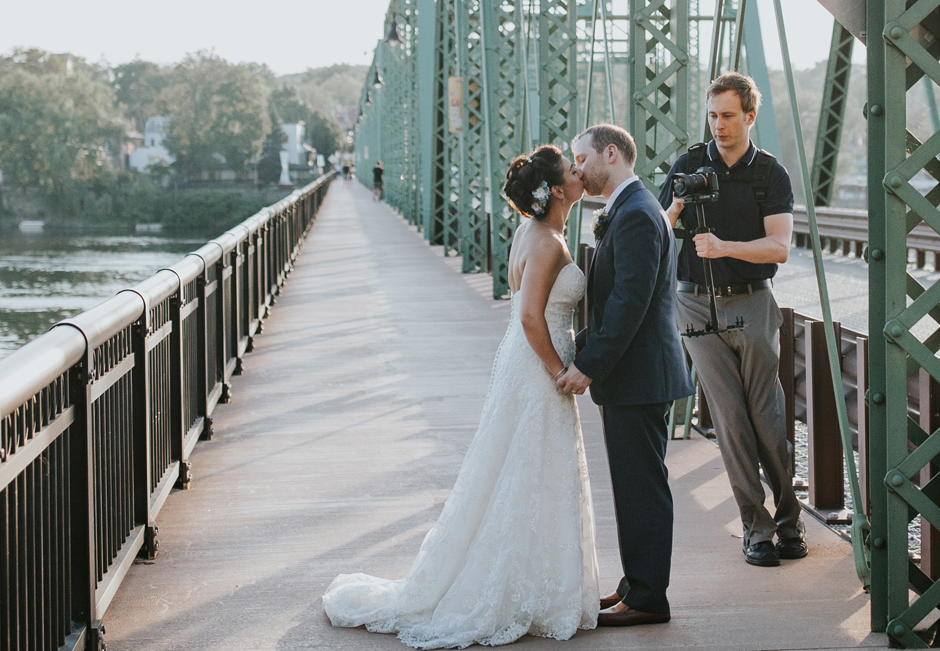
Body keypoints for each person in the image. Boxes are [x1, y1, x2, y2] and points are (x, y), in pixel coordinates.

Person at [323, 145, 600, 646]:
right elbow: (532, 317)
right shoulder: (550, 244)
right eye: (572, 170)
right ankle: (520, 589)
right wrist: (561, 370)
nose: (581, 173)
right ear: (558, 189)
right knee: (532, 468)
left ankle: (530, 583)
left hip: (523, 360)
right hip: (539, 364)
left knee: (522, 468)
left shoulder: (533, 233)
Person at [659, 73, 802, 568]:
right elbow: (658, 228)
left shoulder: (770, 174)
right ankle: (756, 530)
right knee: (730, 419)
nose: (718, 125)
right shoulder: (689, 165)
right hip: (695, 303)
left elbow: (780, 247)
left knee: (767, 418)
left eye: (728, 115)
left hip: (752, 302)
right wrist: (675, 207)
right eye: (712, 115)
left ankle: (789, 521)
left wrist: (726, 248)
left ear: (750, 116)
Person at [559, 124, 693, 628]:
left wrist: (587, 366)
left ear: (610, 154)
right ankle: (636, 584)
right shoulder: (632, 208)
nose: (577, 169)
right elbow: (618, 301)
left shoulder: (636, 214)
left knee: (642, 487)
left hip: (639, 377)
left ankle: (649, 597)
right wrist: (584, 349)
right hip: (637, 376)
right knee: (634, 484)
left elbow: (629, 304)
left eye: (582, 158)